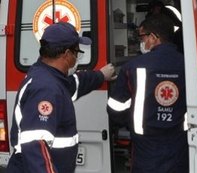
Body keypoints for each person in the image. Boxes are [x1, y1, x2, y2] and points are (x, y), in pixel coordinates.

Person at [6, 22, 116, 173]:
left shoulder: (51, 78)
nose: (77, 57)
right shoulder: (46, 88)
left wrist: (100, 75)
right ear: (66, 54)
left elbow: (75, 84)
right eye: (77, 52)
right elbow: (36, 146)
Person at [107, 14, 188, 173]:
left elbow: (115, 110)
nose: (141, 42)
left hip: (145, 148)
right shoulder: (189, 64)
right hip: (180, 144)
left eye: (142, 37)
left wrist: (131, 122)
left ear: (153, 37)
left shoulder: (132, 67)